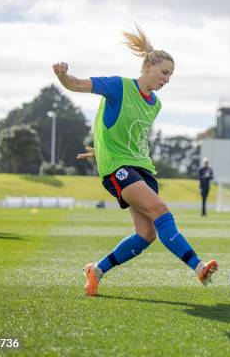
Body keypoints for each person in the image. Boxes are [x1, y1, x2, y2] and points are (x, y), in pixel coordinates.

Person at [53, 24, 218, 296]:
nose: (167, 79)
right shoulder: (119, 86)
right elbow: (77, 84)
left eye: (171, 75)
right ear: (148, 65)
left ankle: (96, 270)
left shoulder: (155, 104)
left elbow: (132, 136)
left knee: (146, 235)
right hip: (118, 169)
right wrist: (63, 75)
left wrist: (99, 148)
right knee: (162, 211)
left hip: (143, 169)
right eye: (165, 72)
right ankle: (199, 267)